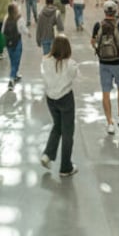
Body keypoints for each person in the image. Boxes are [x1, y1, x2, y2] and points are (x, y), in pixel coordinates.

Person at [39, 35, 79, 177]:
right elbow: (75, 75)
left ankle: (48, 154)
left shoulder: (45, 61)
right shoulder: (70, 64)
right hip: (66, 99)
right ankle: (65, 167)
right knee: (68, 132)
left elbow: (43, 75)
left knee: (57, 126)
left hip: (51, 99)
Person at [92, 1, 119, 136]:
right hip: (118, 62)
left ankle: (109, 123)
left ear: (104, 11)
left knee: (105, 93)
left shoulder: (98, 25)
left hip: (104, 63)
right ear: (115, 11)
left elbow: (93, 42)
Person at [4, 3, 23, 90]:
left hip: (8, 42)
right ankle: (11, 79)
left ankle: (15, 74)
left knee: (12, 59)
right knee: (17, 59)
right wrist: (28, 33)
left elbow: (2, 29)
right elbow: (22, 28)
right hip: (17, 41)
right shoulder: (19, 19)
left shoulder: (6, 18)